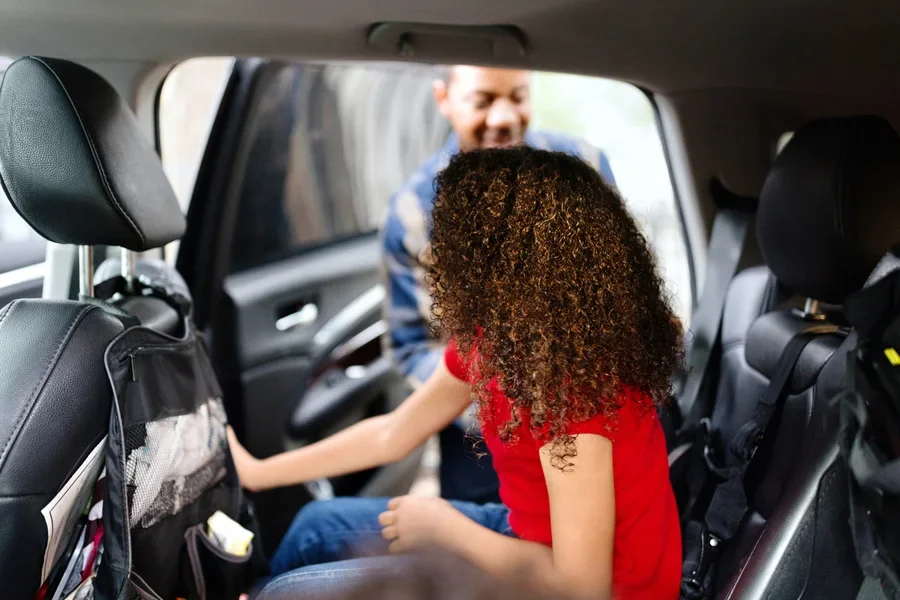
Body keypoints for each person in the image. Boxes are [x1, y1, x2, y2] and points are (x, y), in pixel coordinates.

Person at [229, 147, 681, 599]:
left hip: (600, 588)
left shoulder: (577, 393)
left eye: (456, 236)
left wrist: (446, 530)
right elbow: (394, 433)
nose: (433, 252)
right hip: (529, 537)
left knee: (284, 594)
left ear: (511, 257)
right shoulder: (498, 342)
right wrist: (258, 472)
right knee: (314, 528)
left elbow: (584, 586)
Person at [381, 65, 616, 504]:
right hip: (480, 437)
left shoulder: (585, 168)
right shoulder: (413, 214)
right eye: (484, 100)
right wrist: (498, 398)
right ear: (444, 99)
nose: (504, 117)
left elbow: (620, 293)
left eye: (519, 96)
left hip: (590, 410)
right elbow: (413, 348)